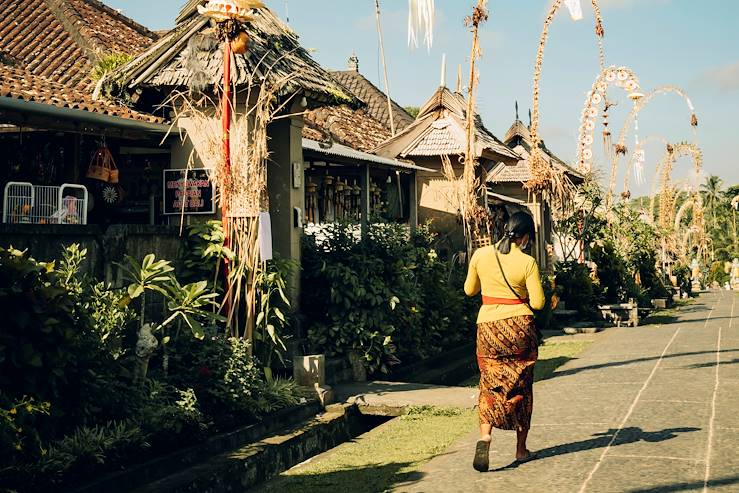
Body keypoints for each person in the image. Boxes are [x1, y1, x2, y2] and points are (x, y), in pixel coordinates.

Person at [464, 211, 545, 472]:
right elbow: (538, 303)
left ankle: (485, 436)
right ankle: (521, 451)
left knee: (489, 384)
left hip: (487, 327)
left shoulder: (481, 255)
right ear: (525, 237)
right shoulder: (527, 262)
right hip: (519, 328)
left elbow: (469, 290)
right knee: (521, 386)